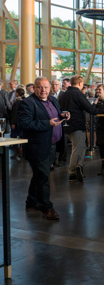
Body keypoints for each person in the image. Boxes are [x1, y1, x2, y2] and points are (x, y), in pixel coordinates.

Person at [18, 77, 65, 220]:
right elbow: (24, 124)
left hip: (52, 144)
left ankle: (31, 202)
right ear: (34, 88)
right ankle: (46, 208)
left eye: (46, 87)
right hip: (37, 146)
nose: (43, 90)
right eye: (39, 87)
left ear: (50, 88)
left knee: (40, 175)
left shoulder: (53, 100)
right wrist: (47, 124)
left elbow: (55, 115)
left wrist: (63, 115)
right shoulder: (27, 103)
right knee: (43, 177)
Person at [58, 75, 99, 182]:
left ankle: (79, 166)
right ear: (80, 83)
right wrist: (97, 107)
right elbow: (89, 109)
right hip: (77, 124)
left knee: (80, 147)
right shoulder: (78, 94)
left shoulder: (63, 94)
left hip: (65, 125)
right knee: (77, 148)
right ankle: (72, 172)